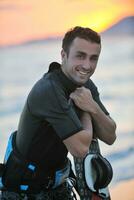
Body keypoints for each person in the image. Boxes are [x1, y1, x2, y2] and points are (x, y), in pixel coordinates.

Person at [0, 26, 116, 200]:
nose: (87, 65)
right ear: (63, 55)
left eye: (93, 58)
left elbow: (110, 135)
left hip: (58, 187)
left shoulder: (86, 86)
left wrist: (91, 106)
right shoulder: (50, 90)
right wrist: (87, 110)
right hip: (24, 193)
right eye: (80, 56)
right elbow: (80, 149)